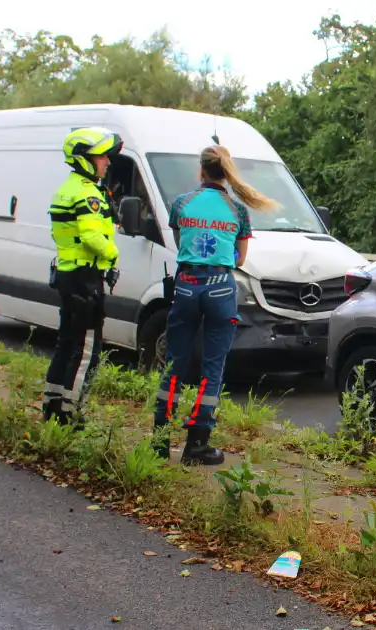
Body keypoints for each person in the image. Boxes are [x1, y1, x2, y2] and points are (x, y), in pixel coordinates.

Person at [153, 144, 278, 465]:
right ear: (227, 170)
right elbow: (239, 258)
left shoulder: (182, 204)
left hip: (187, 286)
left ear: (201, 170)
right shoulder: (238, 211)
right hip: (221, 288)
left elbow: (182, 245)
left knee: (174, 362)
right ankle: (197, 444)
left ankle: (159, 440)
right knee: (213, 367)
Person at [42, 127, 124, 427]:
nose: (107, 162)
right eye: (102, 156)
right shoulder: (87, 193)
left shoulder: (68, 188)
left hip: (67, 272)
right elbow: (92, 237)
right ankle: (69, 414)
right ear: (85, 159)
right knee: (86, 348)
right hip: (85, 276)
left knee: (66, 343)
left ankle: (52, 405)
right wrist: (113, 255)